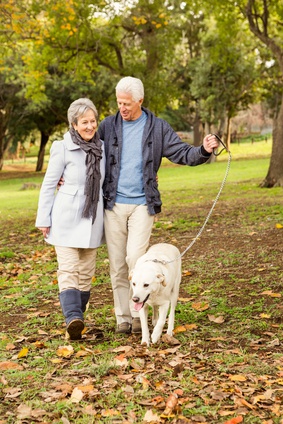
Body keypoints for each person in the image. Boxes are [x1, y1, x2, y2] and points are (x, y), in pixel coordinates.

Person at [98, 76, 220, 335]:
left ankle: (140, 307)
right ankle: (125, 318)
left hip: (143, 204)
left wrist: (205, 150)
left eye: (128, 103)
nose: (123, 108)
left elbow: (182, 153)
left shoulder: (157, 127)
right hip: (113, 204)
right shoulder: (107, 126)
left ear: (140, 101)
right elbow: (89, 152)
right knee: (117, 264)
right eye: (119, 102)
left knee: (134, 259)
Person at [35, 98, 105, 340]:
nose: (89, 126)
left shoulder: (102, 148)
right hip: (65, 218)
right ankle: (72, 318)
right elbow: (48, 185)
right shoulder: (61, 147)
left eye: (93, 121)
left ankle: (77, 321)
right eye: (84, 122)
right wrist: (43, 218)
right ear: (74, 124)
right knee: (68, 269)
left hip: (92, 219)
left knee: (86, 273)